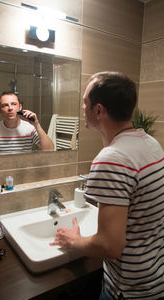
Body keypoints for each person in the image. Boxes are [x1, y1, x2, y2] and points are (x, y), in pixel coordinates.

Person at [50, 71, 164, 299]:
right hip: (155, 278)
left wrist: (74, 241)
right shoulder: (150, 143)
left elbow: (109, 247)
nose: (83, 108)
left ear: (99, 110)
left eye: (85, 103)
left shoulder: (111, 158)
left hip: (128, 291)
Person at [0, 91, 54, 155]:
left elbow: (49, 149)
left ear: (20, 107)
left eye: (14, 104)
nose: (10, 108)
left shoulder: (30, 127)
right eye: (5, 105)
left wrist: (37, 125)